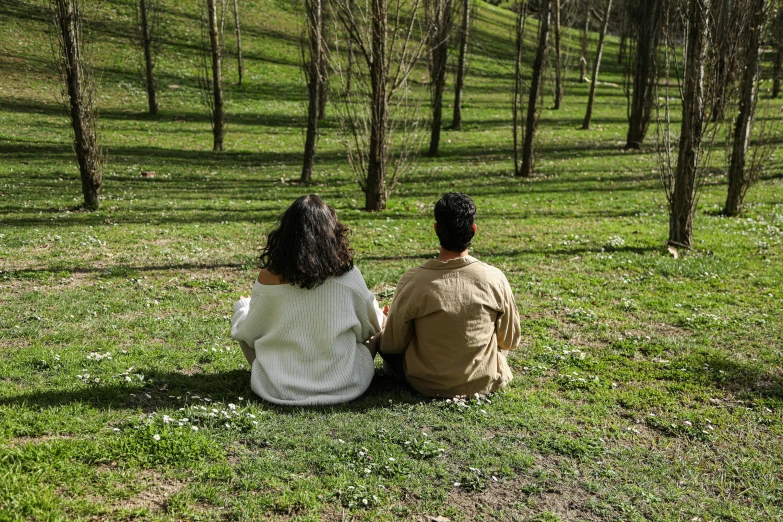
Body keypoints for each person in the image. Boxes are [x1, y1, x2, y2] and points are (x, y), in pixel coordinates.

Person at [230, 195, 384, 406]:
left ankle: (279, 371)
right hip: (345, 384)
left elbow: (248, 333)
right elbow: (373, 326)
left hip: (278, 387)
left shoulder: (268, 277)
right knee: (372, 337)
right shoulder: (348, 276)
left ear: (285, 233)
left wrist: (242, 308)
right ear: (332, 233)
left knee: (242, 324)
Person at [378, 192, 521, 398]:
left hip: (424, 383)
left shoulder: (414, 280)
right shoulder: (494, 278)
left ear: (436, 229)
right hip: (482, 380)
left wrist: (385, 323)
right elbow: (509, 341)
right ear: (473, 230)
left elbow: (392, 345)